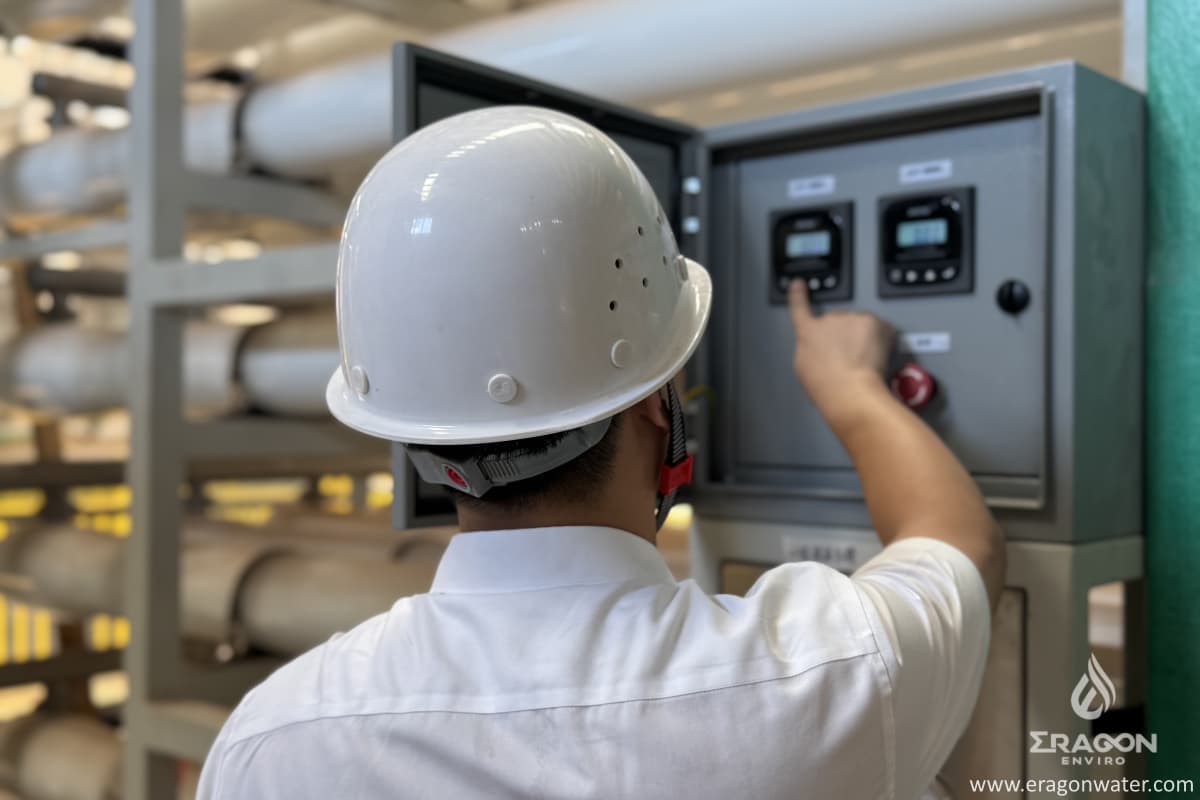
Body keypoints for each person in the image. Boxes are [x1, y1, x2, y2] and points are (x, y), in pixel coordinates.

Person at [198, 106, 1005, 800]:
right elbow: (958, 541)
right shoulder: (827, 675)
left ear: (418, 439)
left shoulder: (271, 744)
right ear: (661, 409)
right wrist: (852, 388)